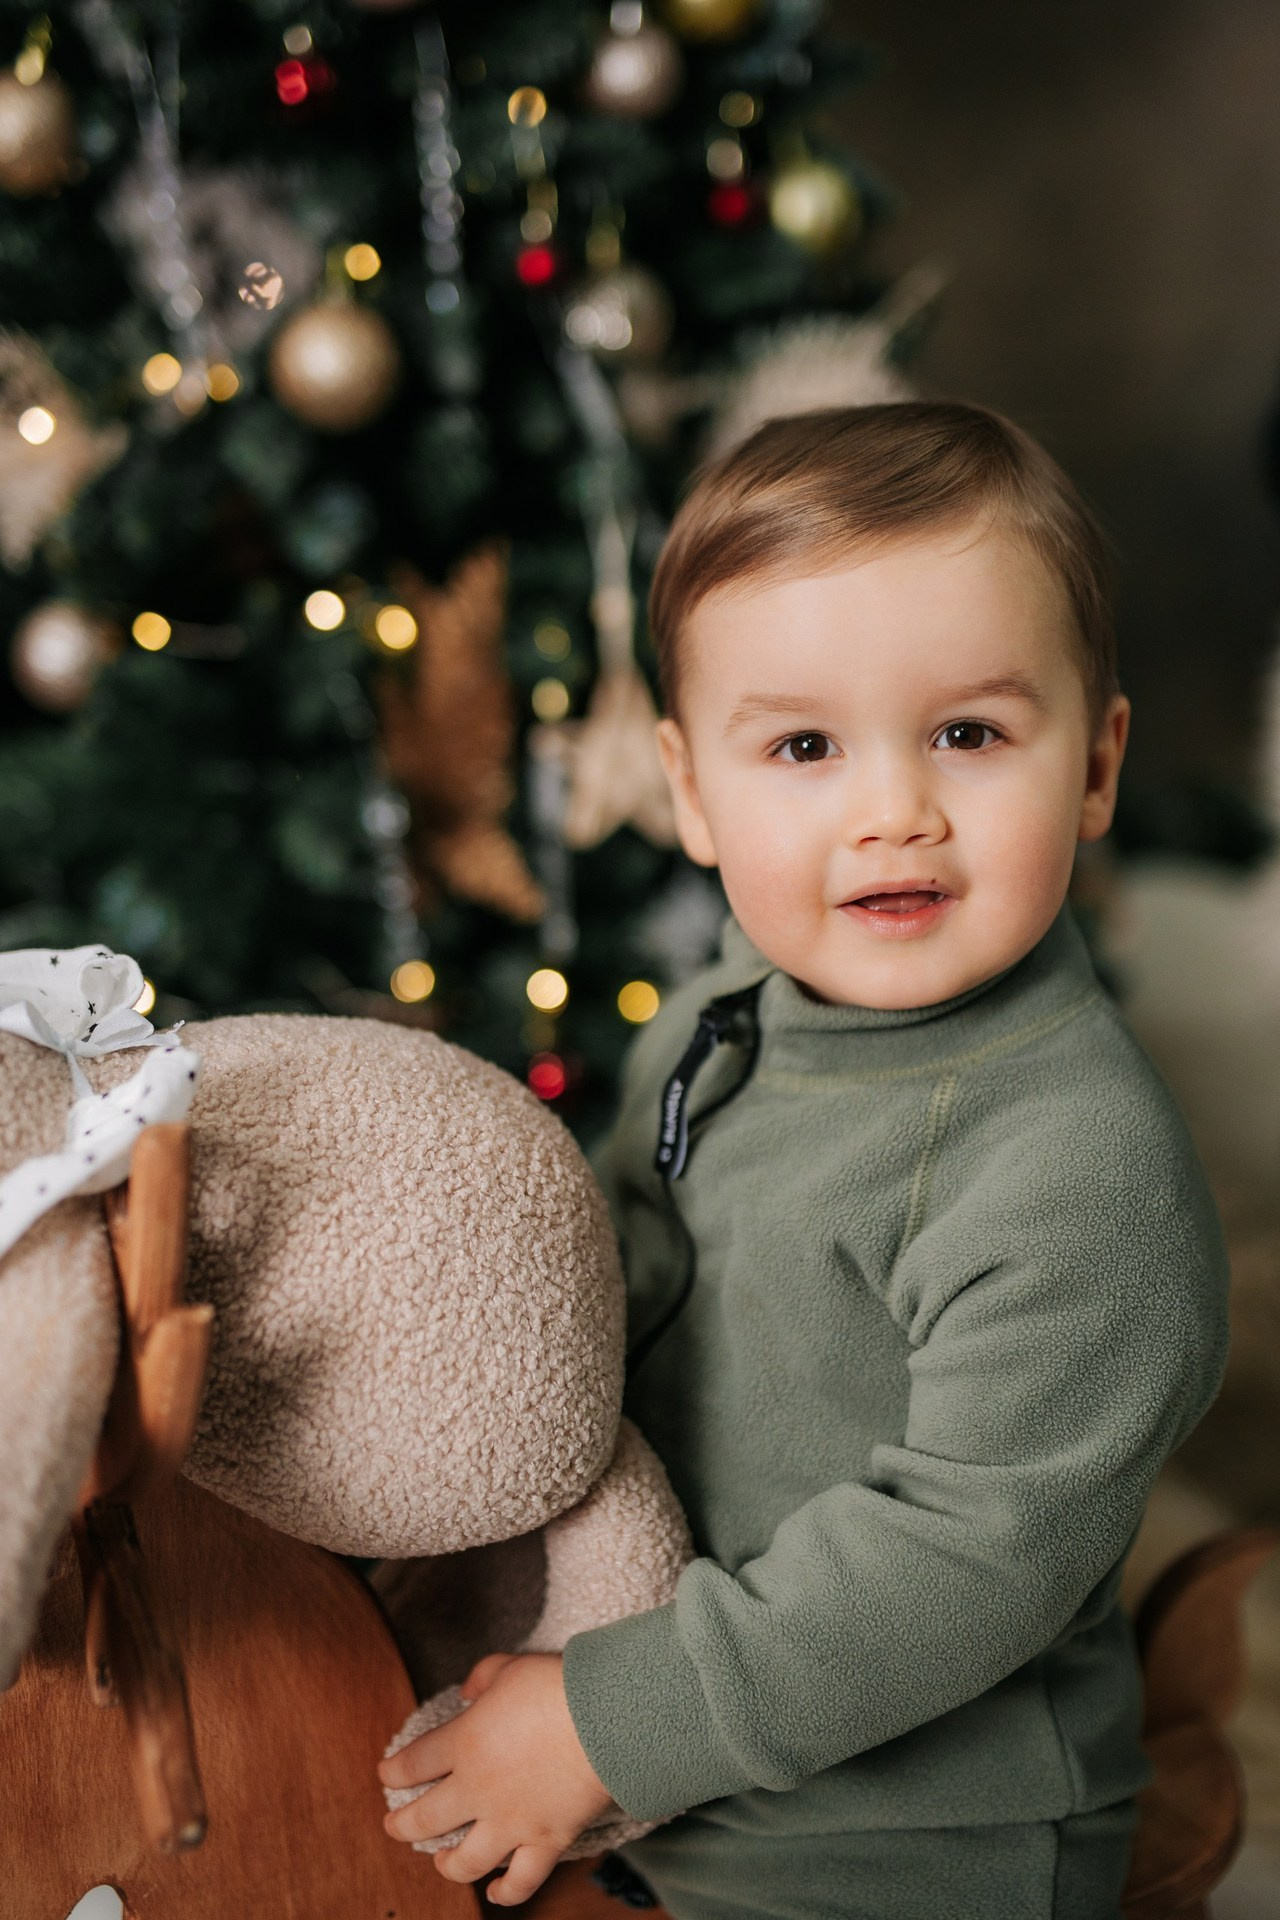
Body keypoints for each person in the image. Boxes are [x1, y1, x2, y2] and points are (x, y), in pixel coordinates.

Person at [379, 402, 1231, 1918]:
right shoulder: (718, 1021)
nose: (892, 811)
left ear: (1095, 769)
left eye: (969, 734)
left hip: (908, 1847)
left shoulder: (1078, 1172)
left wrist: (604, 1721)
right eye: (803, 746)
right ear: (694, 793)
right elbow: (622, 1268)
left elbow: (965, 1559)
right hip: (652, 1751)